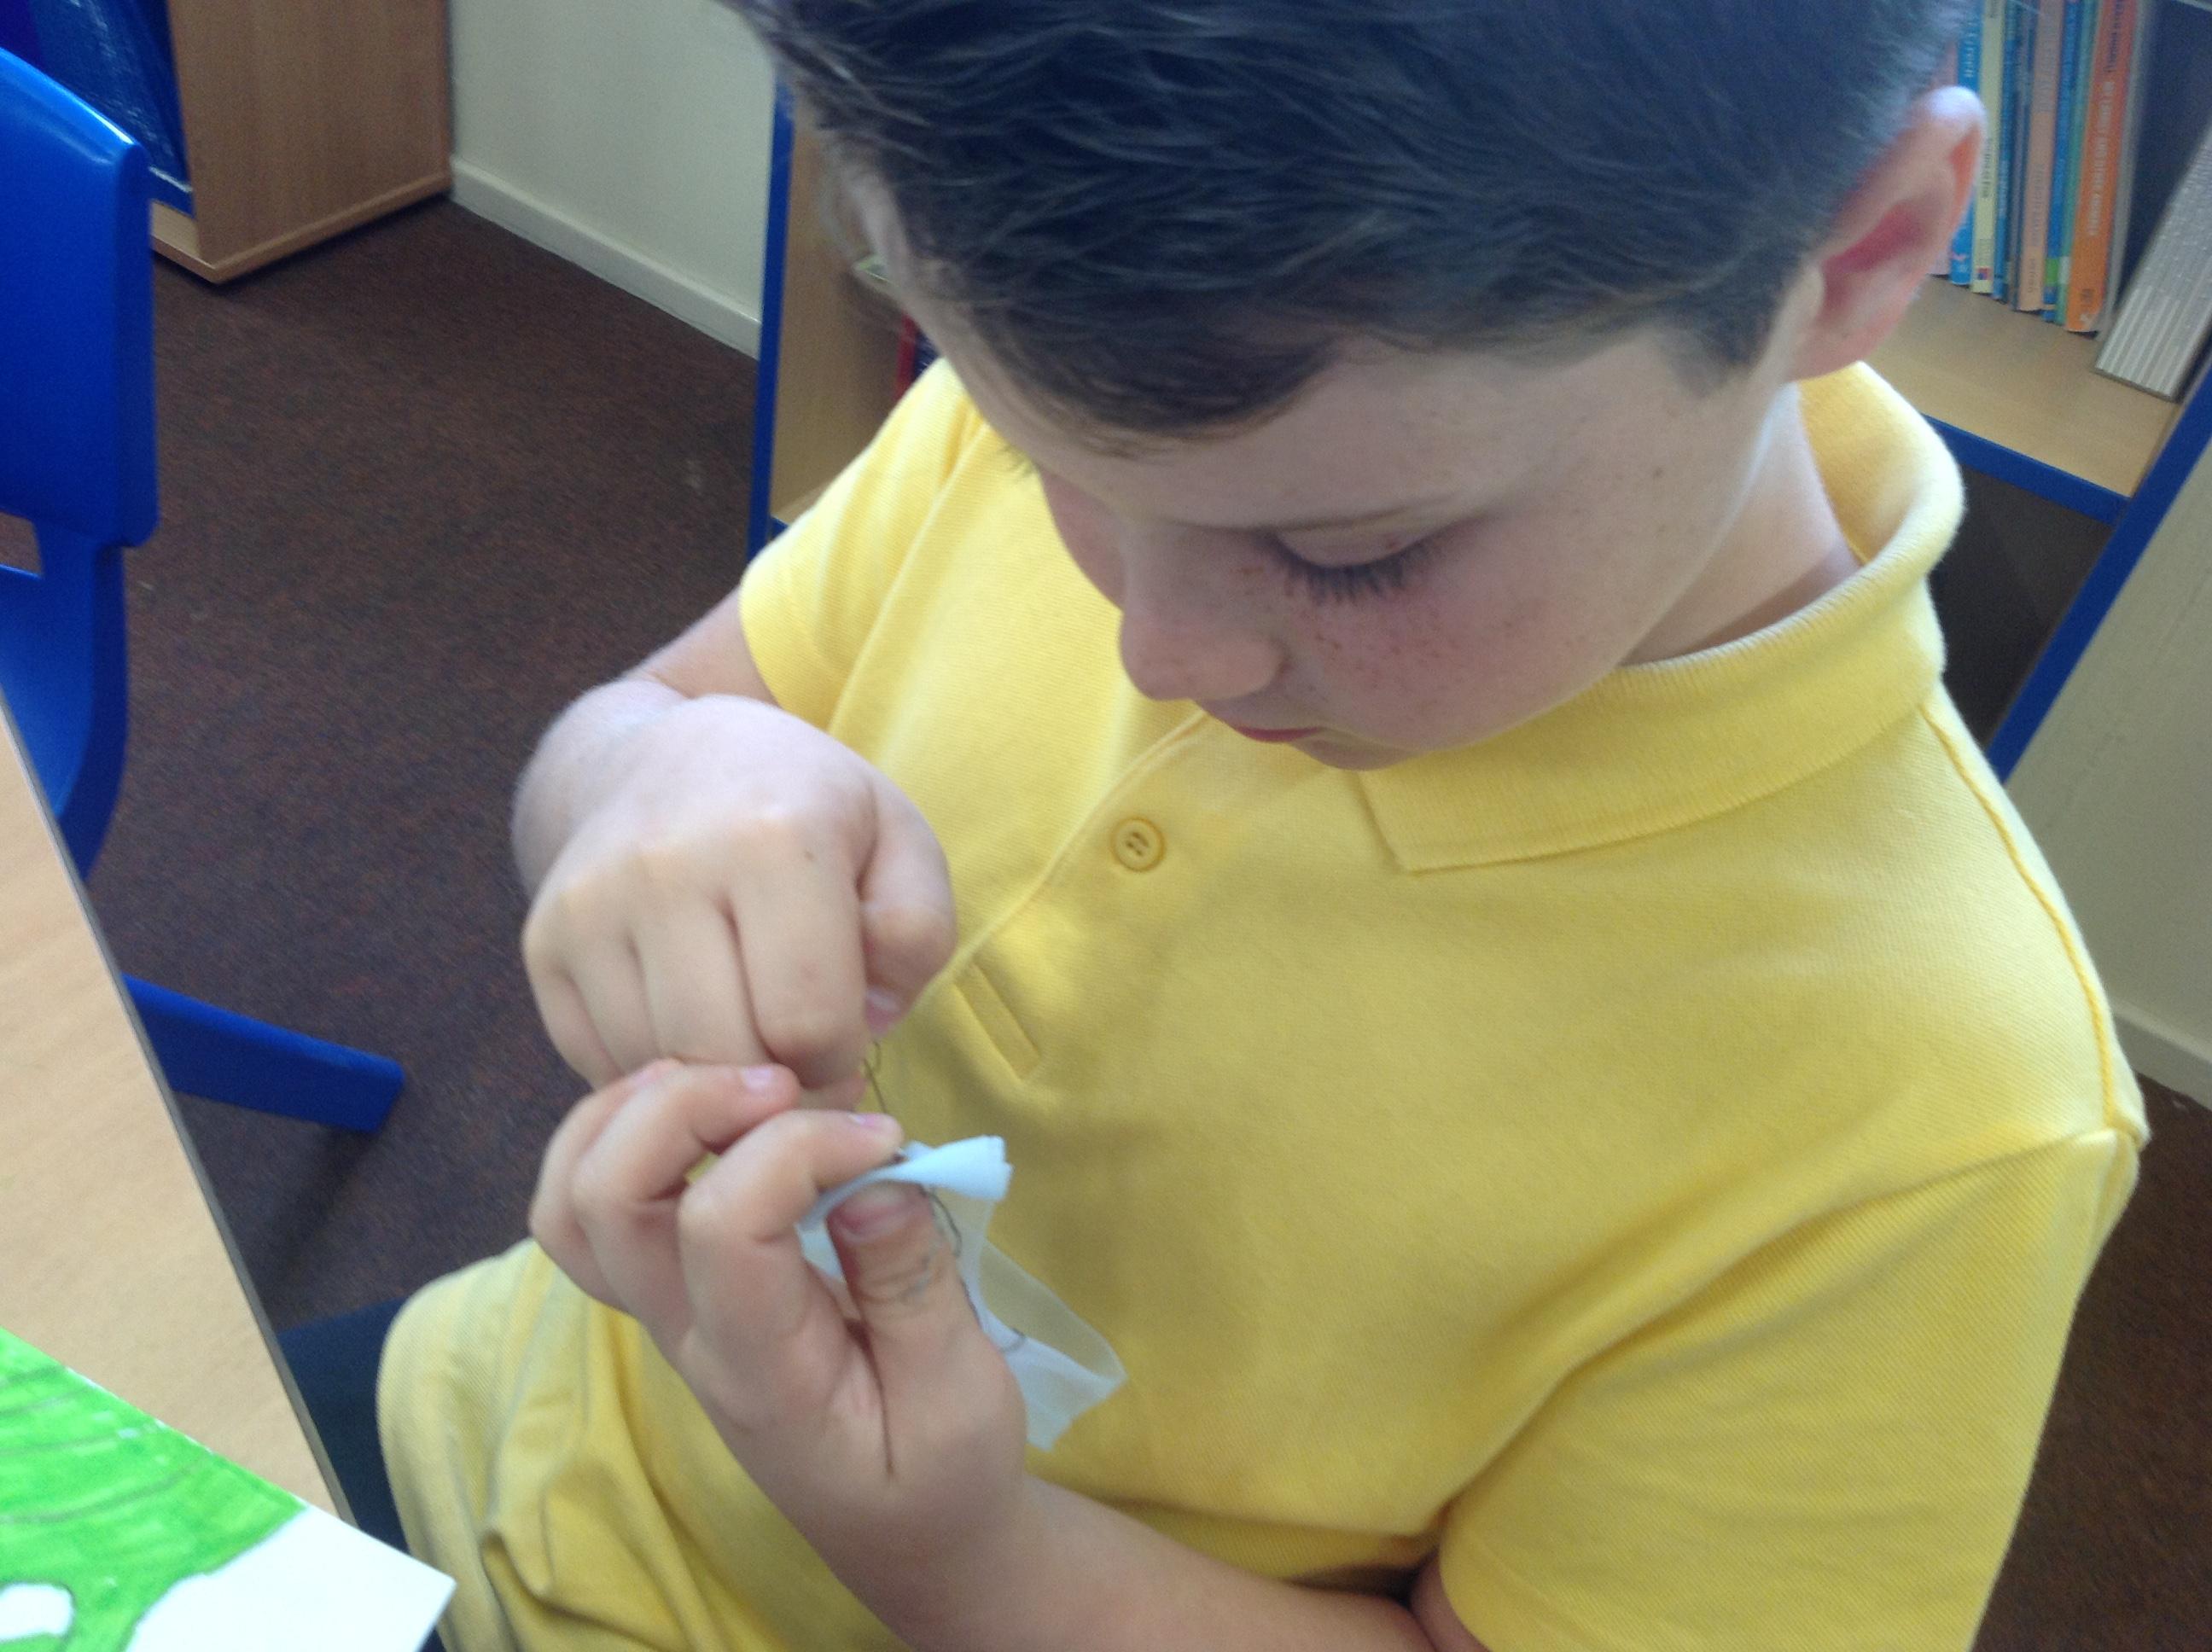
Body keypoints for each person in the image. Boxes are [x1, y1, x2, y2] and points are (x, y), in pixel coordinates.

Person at [314, 4, 2150, 1649]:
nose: (1161, 648)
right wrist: (651, 777)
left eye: (1353, 553)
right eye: (1048, 462)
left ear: (1864, 250)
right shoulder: (1126, 360)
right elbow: (634, 727)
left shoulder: (1932, 1116)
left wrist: (967, 1563)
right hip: (479, 1415)